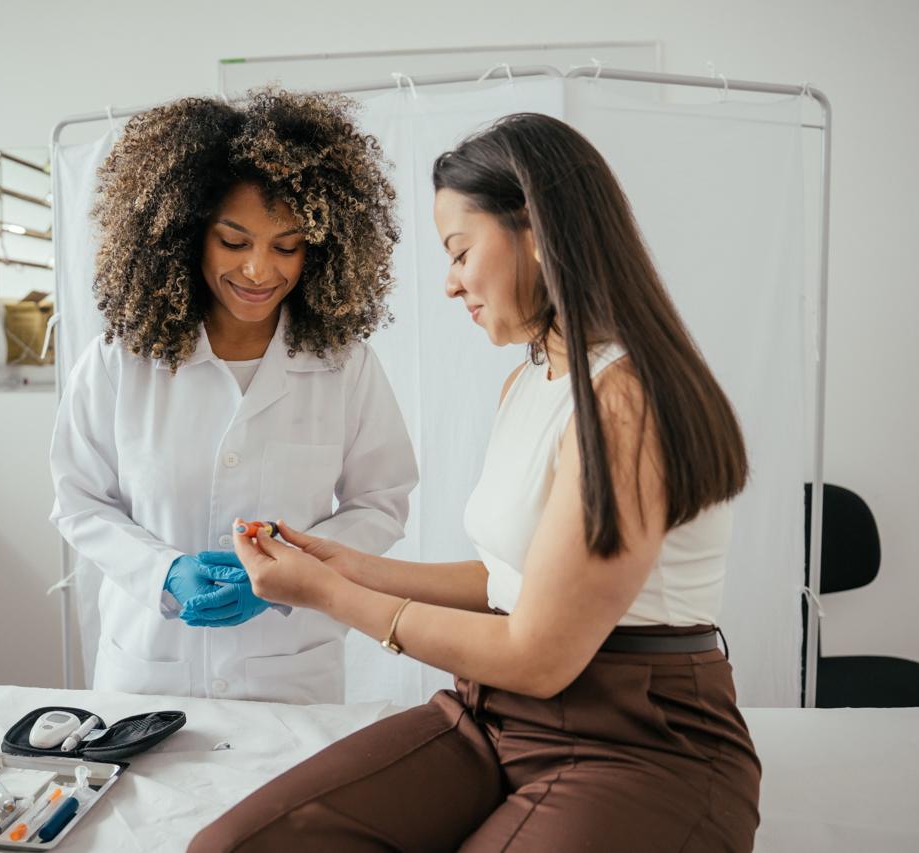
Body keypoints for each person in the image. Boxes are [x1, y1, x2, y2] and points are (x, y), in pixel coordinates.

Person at [190, 113, 762, 851]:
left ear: (535, 229)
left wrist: (328, 594)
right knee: (230, 846)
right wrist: (337, 560)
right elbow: (509, 581)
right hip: (494, 716)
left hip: (640, 742)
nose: (452, 282)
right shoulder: (529, 386)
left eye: (460, 252)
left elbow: (540, 654)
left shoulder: (625, 400)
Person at [48, 89, 418, 704]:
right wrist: (163, 571)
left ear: (320, 249)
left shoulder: (343, 365)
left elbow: (381, 502)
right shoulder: (122, 360)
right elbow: (79, 500)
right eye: (235, 241)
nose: (258, 271)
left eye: (287, 246)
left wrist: (295, 577)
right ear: (186, 235)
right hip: (150, 669)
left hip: (290, 670)